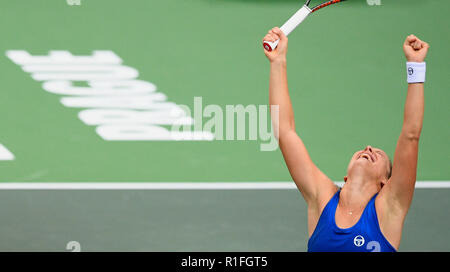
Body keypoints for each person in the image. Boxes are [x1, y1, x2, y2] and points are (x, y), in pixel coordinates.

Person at [263, 28, 429, 252]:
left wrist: (416, 67)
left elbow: (411, 135)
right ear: (346, 175)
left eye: (379, 154)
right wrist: (278, 61)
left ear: (385, 183)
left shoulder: (389, 209)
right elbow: (284, 132)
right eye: (367, 149)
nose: (368, 148)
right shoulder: (322, 198)